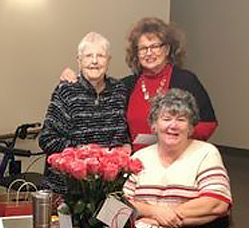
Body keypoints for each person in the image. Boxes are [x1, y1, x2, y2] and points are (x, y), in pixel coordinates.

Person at [60, 17, 217, 151]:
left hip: (176, 159)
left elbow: (208, 124)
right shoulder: (126, 85)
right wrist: (74, 77)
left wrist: (173, 137)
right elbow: (97, 88)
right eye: (143, 48)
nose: (149, 53)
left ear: (167, 49)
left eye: (155, 46)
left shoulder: (186, 80)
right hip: (136, 164)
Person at [122, 89, 230, 228]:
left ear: (191, 127)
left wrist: (160, 221)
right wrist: (155, 212)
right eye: (166, 119)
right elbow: (120, 203)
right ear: (154, 125)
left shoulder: (206, 153)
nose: (173, 126)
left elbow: (216, 203)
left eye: (181, 120)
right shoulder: (139, 157)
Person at [40, 32, 130, 194]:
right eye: (88, 56)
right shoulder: (66, 91)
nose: (94, 61)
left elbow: (123, 134)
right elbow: (47, 140)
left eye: (100, 56)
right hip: (69, 191)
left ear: (108, 60)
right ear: (79, 61)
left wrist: (126, 146)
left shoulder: (119, 90)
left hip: (108, 189)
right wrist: (86, 153)